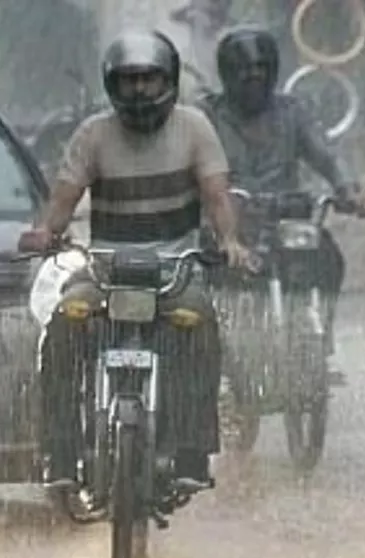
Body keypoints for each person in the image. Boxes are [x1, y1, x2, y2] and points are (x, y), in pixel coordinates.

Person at [18, 29, 255, 494]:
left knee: (201, 326)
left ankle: (191, 452)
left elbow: (217, 195)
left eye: (148, 79)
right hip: (104, 270)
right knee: (64, 325)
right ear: (112, 85)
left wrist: (231, 241)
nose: (141, 91)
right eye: (130, 81)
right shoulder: (93, 134)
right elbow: (63, 198)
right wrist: (47, 232)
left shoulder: (195, 127)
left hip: (176, 271)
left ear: (168, 79)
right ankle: (61, 452)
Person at [198, 26, 365, 352]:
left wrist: (348, 189)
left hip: (287, 219)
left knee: (328, 257)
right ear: (227, 73)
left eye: (261, 68)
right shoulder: (206, 115)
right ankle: (211, 349)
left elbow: (327, 155)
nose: (253, 77)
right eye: (244, 70)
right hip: (228, 225)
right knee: (200, 275)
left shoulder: (293, 111)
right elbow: (186, 160)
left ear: (273, 70)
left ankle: (321, 330)